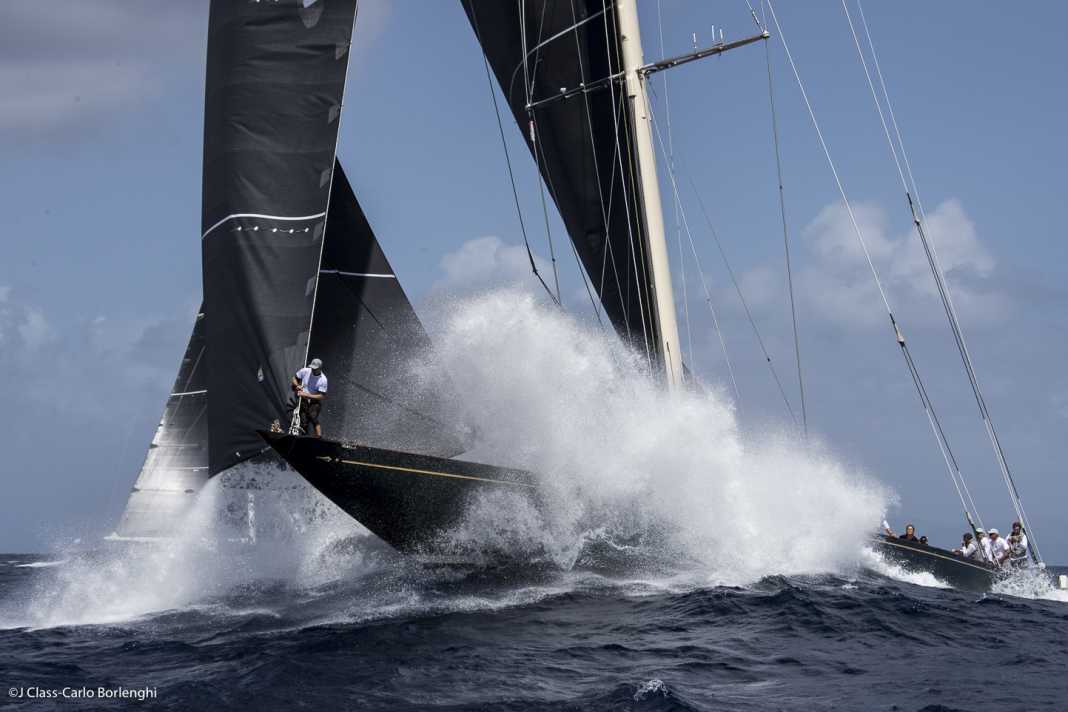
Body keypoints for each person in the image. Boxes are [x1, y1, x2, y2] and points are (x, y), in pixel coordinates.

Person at [291, 358, 328, 437]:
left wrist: (307, 395)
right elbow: (294, 378)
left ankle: (319, 436)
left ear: (320, 368)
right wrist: (297, 385)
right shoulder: (305, 371)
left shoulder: (323, 380)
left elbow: (321, 396)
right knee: (304, 421)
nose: (313, 370)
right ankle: (304, 436)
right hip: (303, 400)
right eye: (312, 368)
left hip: (314, 401)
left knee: (312, 416)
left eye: (315, 369)